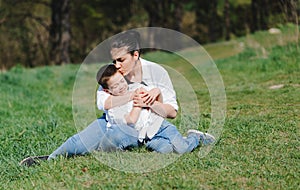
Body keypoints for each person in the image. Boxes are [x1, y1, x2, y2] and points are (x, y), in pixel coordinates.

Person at [19, 30, 215, 166]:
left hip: (150, 128)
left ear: (135, 55)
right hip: (116, 124)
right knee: (80, 142)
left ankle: (195, 137)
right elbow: (104, 103)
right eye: (114, 60)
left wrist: (153, 100)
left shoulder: (157, 73)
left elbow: (171, 112)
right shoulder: (112, 75)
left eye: (121, 60)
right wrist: (130, 96)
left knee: (171, 149)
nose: (116, 65)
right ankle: (50, 159)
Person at [96, 63, 213, 154]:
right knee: (165, 150)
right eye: (115, 86)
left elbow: (158, 100)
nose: (121, 86)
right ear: (107, 91)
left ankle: (195, 138)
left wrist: (156, 91)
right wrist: (138, 103)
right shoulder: (113, 108)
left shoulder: (137, 87)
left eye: (122, 81)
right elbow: (131, 120)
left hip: (159, 126)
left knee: (181, 149)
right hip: (146, 136)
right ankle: (176, 140)